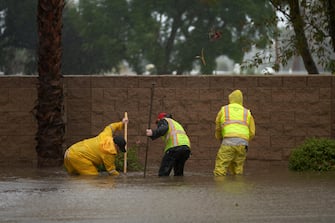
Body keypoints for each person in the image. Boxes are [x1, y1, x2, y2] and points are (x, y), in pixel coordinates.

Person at [64, 117, 128, 176]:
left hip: (69, 151)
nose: (118, 151)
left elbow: (111, 127)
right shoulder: (109, 153)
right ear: (116, 146)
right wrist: (121, 178)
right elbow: (111, 171)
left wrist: (122, 122)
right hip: (78, 157)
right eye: (119, 149)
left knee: (74, 176)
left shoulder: (106, 135)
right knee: (93, 176)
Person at [214, 89, 255, 176]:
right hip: (243, 143)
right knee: (238, 167)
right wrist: (245, 140)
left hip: (228, 141)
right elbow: (252, 132)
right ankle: (238, 187)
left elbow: (218, 126)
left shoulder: (224, 110)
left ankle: (219, 188)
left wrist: (219, 137)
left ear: (231, 99)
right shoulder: (247, 112)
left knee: (221, 167)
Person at [146, 112, 191, 176]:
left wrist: (153, 133)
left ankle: (164, 185)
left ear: (159, 119)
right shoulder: (176, 123)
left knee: (163, 173)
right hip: (186, 148)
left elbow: (164, 128)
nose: (158, 125)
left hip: (174, 148)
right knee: (178, 173)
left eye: (157, 123)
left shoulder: (164, 120)